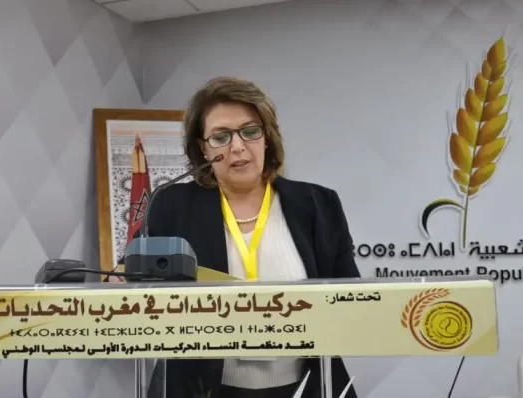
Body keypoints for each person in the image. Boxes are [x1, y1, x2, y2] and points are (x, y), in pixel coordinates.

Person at [130, 76, 360, 398]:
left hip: (308, 386)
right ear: (203, 148)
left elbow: (352, 298)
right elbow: (138, 288)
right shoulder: (171, 206)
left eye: (250, 132)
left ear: (267, 138)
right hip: (200, 388)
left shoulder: (318, 204)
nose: (237, 147)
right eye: (220, 137)